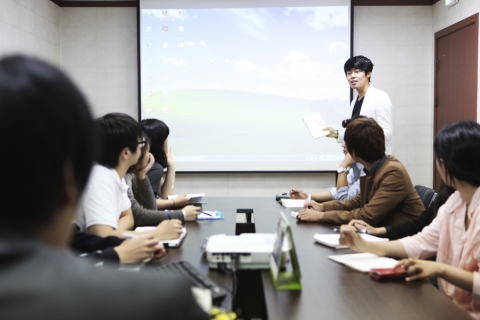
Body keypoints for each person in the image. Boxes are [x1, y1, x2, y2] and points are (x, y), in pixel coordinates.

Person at [0, 55, 207, 319]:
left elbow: (124, 219)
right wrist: (124, 247)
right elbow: (109, 228)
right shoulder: (162, 301)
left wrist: (126, 240)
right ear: (69, 183)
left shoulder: (118, 177)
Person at [340, 120, 480, 319]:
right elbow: (421, 242)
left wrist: (440, 270)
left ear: (445, 164)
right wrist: (365, 245)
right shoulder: (456, 202)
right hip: (450, 307)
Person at [76, 112, 183, 240]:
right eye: (140, 143)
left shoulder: (116, 177)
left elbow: (129, 218)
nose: (143, 149)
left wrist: (115, 232)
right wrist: (155, 234)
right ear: (126, 152)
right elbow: (102, 237)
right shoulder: (101, 180)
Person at [298, 117, 424, 226]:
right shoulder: (373, 168)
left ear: (353, 152)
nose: (343, 146)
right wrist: (322, 207)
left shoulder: (392, 172)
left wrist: (321, 216)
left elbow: (367, 216)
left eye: (346, 144)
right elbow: (356, 202)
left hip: (403, 241)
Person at [324, 55, 393, 154]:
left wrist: (361, 140)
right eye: (349, 73)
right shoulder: (354, 102)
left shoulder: (379, 97)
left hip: (374, 160)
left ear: (368, 73)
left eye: (357, 72)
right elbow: (355, 133)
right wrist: (336, 133)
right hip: (357, 161)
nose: (352, 76)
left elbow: (387, 133)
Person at [126, 134, 200, 225]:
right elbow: (139, 216)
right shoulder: (122, 179)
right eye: (147, 151)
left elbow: (150, 208)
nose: (149, 155)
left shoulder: (130, 176)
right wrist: (182, 214)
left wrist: (142, 174)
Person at [290, 116, 366, 202]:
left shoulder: (366, 169)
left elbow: (343, 199)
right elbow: (338, 191)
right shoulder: (357, 164)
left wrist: (343, 166)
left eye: (347, 141)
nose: (342, 144)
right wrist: (308, 196)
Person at [348, 184, 455, 240]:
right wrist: (375, 231)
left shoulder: (392, 170)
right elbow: (419, 225)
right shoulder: (448, 195)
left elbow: (367, 215)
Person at [140, 119, 190, 210]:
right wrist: (175, 203)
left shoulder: (152, 164)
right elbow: (147, 204)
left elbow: (164, 195)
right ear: (159, 142)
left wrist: (171, 167)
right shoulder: (154, 167)